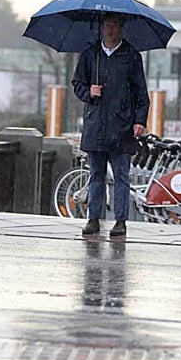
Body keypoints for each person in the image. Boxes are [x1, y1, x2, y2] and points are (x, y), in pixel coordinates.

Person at [71, 14, 149, 238]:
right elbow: (77, 83)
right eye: (107, 25)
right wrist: (89, 92)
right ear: (101, 27)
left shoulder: (131, 57)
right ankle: (93, 219)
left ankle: (120, 221)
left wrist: (139, 121)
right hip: (96, 126)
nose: (110, 30)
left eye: (114, 25)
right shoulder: (90, 55)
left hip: (122, 127)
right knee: (96, 175)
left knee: (121, 176)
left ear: (121, 28)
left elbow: (141, 93)